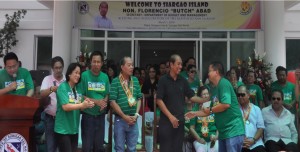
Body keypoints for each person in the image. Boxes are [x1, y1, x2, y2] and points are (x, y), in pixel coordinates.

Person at [186, 61, 245, 152]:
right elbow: (208, 110)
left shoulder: (223, 83)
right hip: (223, 133)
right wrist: (194, 113)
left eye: (209, 71)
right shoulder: (215, 89)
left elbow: (225, 104)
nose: (207, 73)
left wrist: (210, 110)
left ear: (216, 72)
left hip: (233, 131)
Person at [156, 54, 208, 152]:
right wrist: (171, 117)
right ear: (171, 65)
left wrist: (204, 100)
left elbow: (191, 96)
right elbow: (159, 100)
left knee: (177, 149)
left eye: (181, 64)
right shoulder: (163, 80)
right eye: (178, 64)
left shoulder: (183, 81)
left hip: (179, 122)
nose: (181, 66)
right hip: (166, 123)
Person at [54, 63, 95, 152]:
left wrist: (87, 104)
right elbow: (65, 107)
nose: (78, 75)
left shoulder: (78, 89)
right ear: (69, 73)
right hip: (63, 130)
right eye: (76, 73)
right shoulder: (62, 87)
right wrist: (82, 105)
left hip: (74, 129)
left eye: (79, 73)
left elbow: (80, 108)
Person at [109, 56, 143, 152]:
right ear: (122, 67)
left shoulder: (135, 81)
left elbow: (139, 99)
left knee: (132, 149)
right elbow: (112, 102)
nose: (132, 67)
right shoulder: (115, 81)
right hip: (120, 120)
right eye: (129, 65)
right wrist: (124, 116)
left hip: (133, 119)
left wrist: (136, 115)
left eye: (132, 65)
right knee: (119, 148)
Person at [78, 51, 110, 152]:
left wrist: (104, 101)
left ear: (101, 63)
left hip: (101, 117)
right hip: (88, 117)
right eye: (94, 61)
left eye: (98, 62)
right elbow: (80, 96)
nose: (96, 64)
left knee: (99, 148)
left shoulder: (105, 77)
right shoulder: (84, 76)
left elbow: (107, 94)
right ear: (90, 63)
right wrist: (96, 102)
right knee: (87, 147)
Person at [40, 56, 65, 152]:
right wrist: (51, 89)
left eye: (60, 67)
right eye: (56, 68)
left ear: (63, 67)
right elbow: (41, 94)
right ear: (52, 68)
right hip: (50, 118)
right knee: (51, 147)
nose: (58, 70)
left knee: (62, 147)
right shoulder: (47, 79)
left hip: (63, 119)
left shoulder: (67, 80)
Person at [237, 85, 266, 152]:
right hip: (240, 143)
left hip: (256, 143)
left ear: (248, 95)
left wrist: (253, 140)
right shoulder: (235, 110)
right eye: (238, 95)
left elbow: (261, 128)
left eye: (242, 95)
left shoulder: (256, 109)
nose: (240, 97)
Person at [190, 86, 218, 152]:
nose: (206, 96)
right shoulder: (195, 110)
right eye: (204, 94)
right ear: (199, 96)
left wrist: (216, 137)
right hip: (200, 140)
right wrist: (199, 139)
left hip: (213, 139)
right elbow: (191, 128)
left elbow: (219, 126)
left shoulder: (214, 107)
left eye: (207, 94)